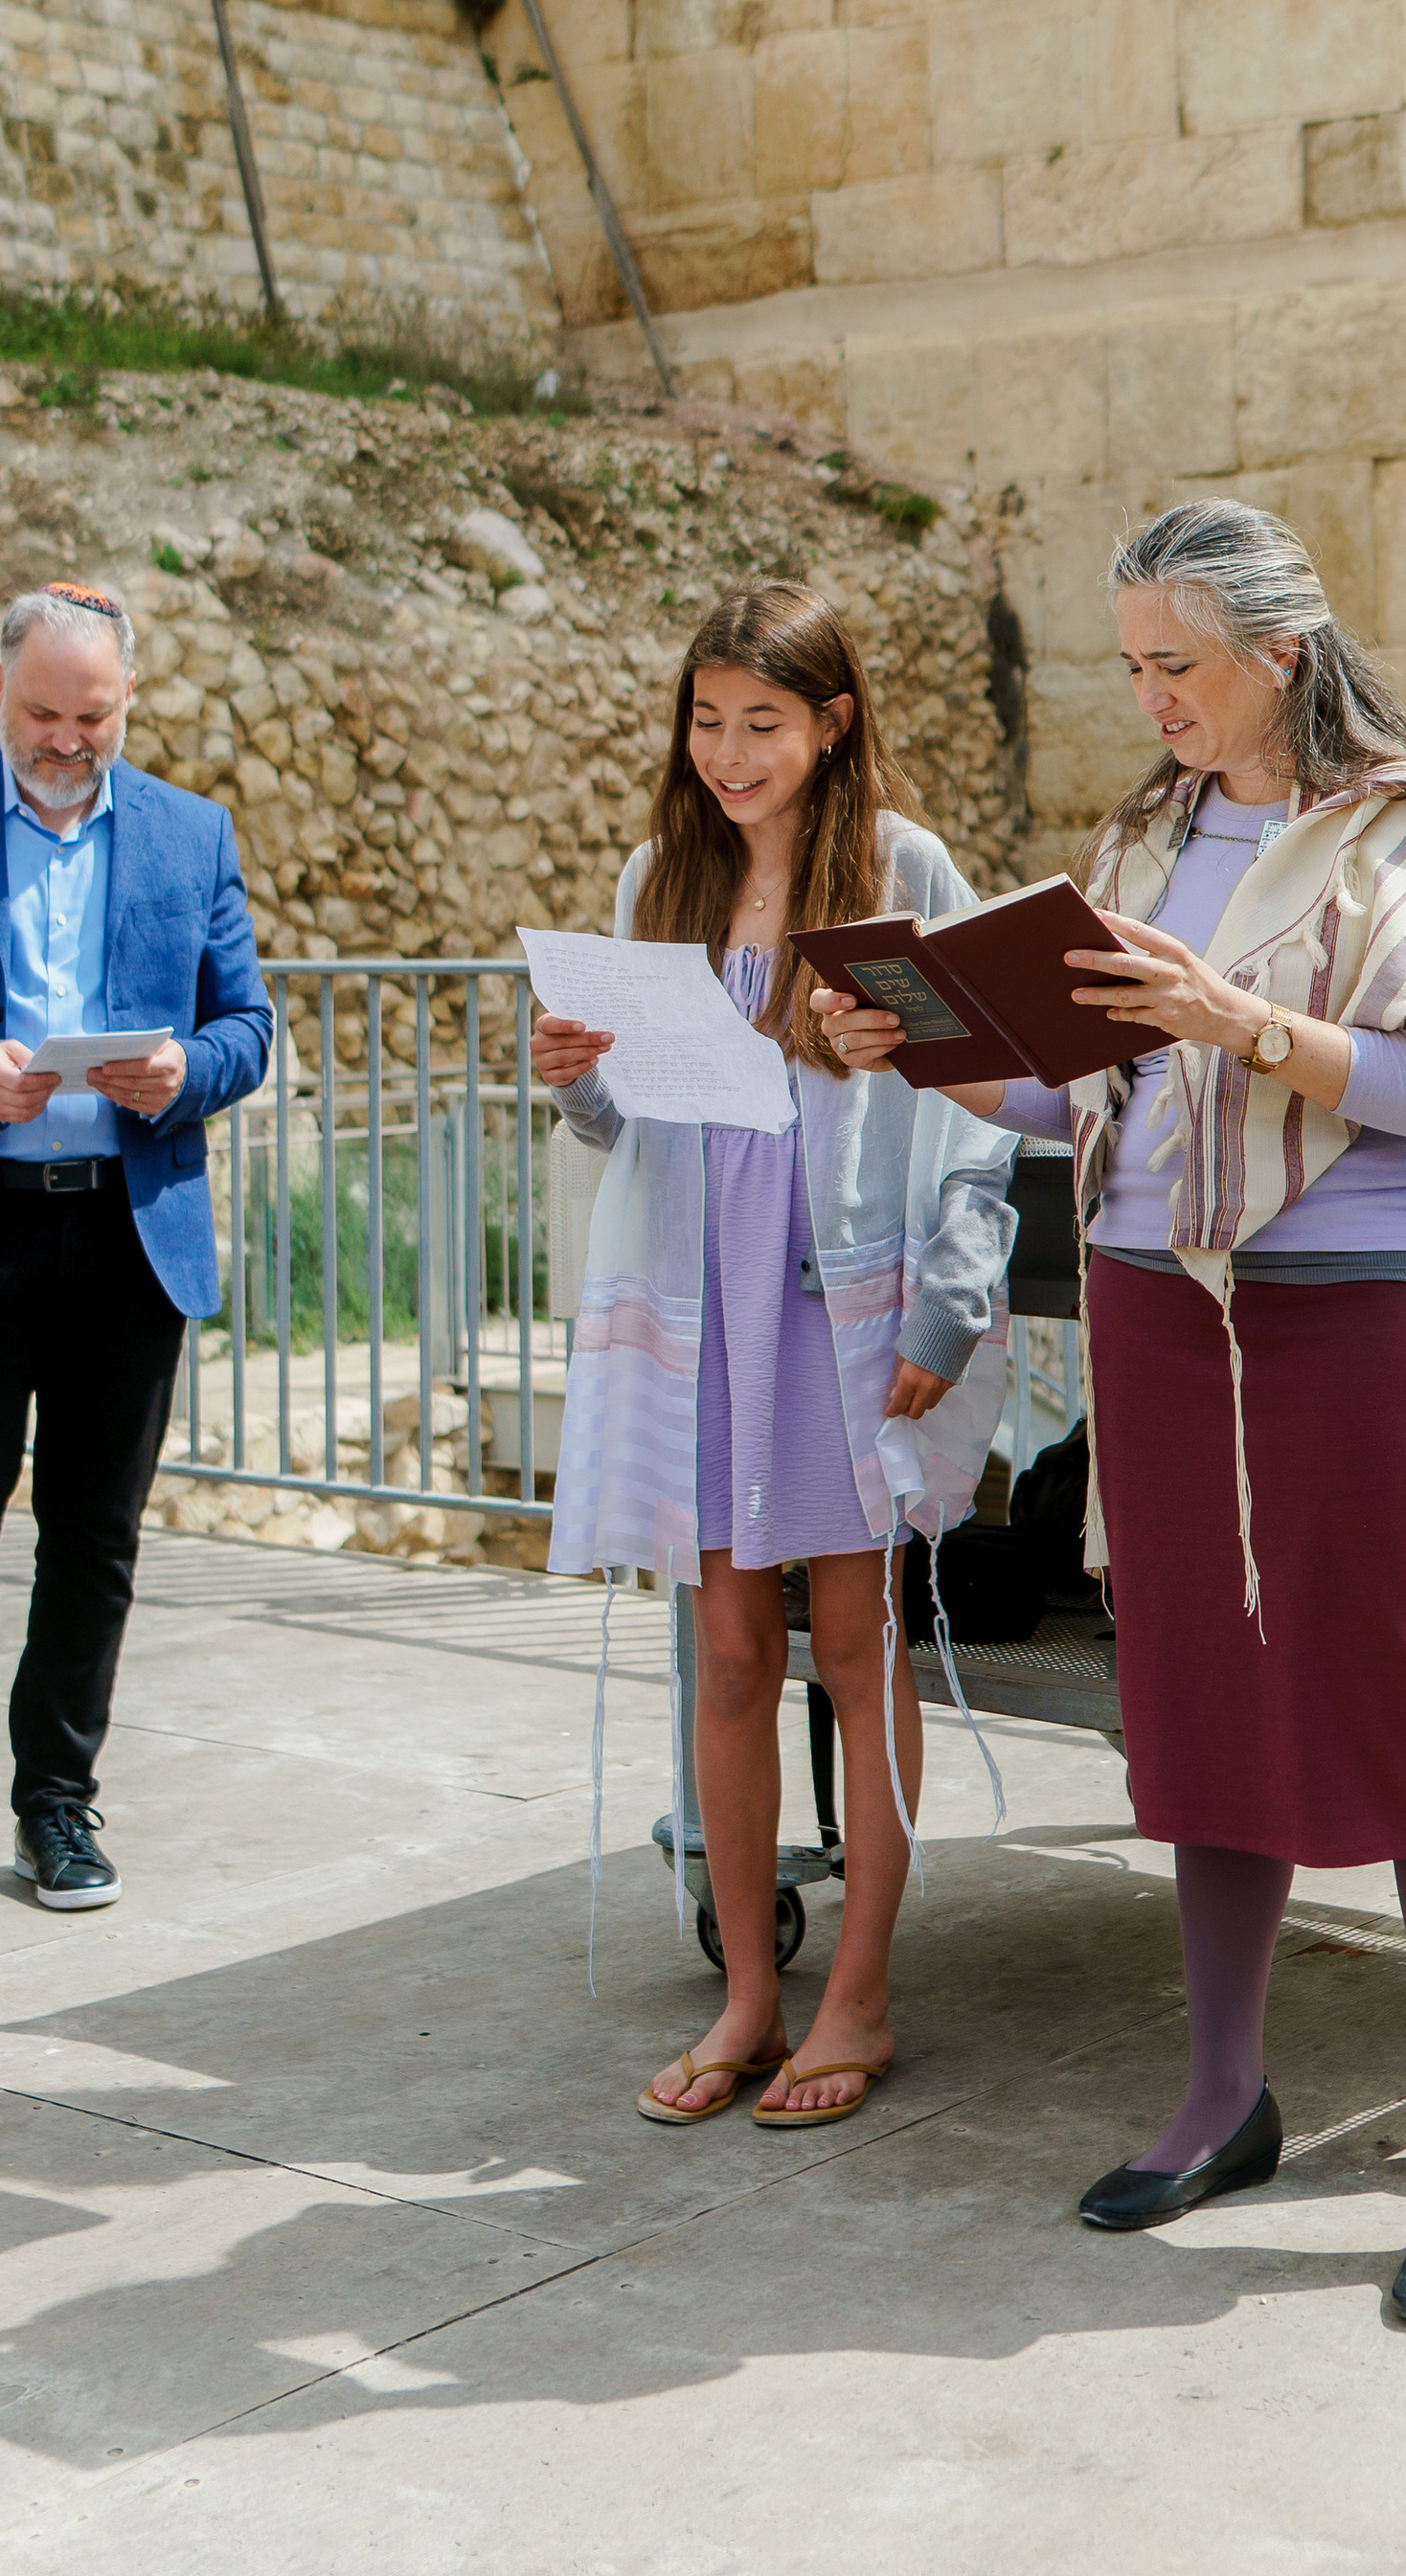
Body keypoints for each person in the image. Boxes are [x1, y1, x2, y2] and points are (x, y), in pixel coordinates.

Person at [823, 501, 1406, 2327]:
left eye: (1178, 664)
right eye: (1134, 667)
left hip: (1358, 1323)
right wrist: (925, 1047)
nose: (1153, 696)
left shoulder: (1405, 826)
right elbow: (1089, 1098)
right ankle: (1219, 2097)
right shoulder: (1148, 836)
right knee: (1206, 1707)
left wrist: (1232, 1019)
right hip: (1163, 1319)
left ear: (1279, 652)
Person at [541, 581, 1016, 2131]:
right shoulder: (657, 879)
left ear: (833, 723)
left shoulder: (902, 870)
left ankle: (860, 1995)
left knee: (857, 1643)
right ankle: (751, 1995)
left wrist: (952, 1305)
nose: (729, 754)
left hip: (847, 1303)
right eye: (707, 721)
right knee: (731, 1652)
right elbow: (636, 1120)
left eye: (763, 723)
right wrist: (576, 1082)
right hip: (700, 1305)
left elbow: (974, 1101)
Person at [0, 582, 271, 1915]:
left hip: (131, 1234)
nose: (68, 740)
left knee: (96, 1539)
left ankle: (57, 1810)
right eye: (43, 714)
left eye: (94, 716)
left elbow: (248, 1027)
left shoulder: (195, 833)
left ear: (128, 701)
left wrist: (185, 1068)